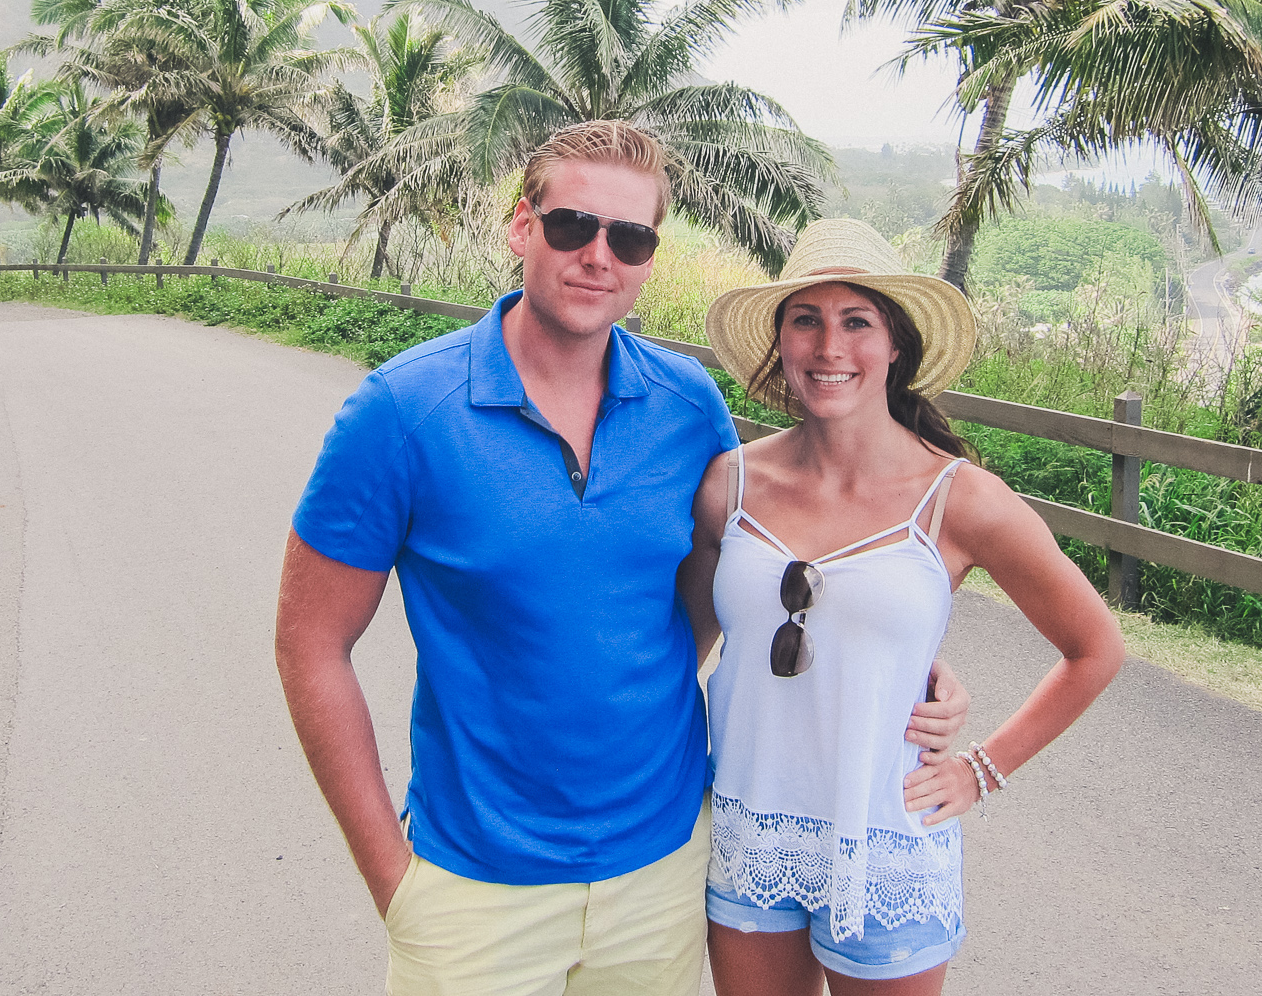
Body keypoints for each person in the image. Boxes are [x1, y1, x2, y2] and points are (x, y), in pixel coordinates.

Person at [275, 123, 973, 996]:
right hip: (472, 886)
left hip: (664, 870)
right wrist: (393, 877)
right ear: (521, 225)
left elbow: (755, 578)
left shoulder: (688, 409)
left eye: (630, 236)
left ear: (650, 255)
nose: (598, 254)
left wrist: (908, 662)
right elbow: (310, 644)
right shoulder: (401, 413)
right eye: (573, 225)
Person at [682, 218, 1125, 994]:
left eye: (858, 321)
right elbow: (682, 647)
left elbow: (1095, 647)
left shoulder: (960, 498)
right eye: (806, 320)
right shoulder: (729, 485)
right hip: (750, 831)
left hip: (886, 844)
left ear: (895, 346)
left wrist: (983, 767)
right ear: (780, 340)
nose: (830, 347)